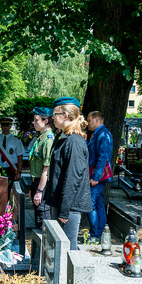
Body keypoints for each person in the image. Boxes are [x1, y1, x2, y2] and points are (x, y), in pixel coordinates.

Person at [46, 100, 92, 249]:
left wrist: (64, 211)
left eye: (55, 114)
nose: (52, 118)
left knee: (66, 249)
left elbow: (73, 178)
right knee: (59, 248)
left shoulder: (74, 142)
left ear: (65, 116)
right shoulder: (65, 138)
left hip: (69, 207)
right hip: (61, 203)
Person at [86, 110, 114, 244]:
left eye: (89, 120)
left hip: (99, 176)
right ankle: (101, 231)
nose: (87, 123)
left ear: (97, 120)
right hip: (97, 175)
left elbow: (102, 157)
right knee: (98, 203)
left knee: (90, 203)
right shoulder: (98, 134)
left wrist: (96, 177)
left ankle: (95, 234)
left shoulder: (103, 134)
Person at [28, 106, 55, 229]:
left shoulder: (48, 139)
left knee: (42, 219)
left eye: (36, 120)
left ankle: (44, 247)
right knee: (38, 217)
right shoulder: (40, 137)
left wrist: (39, 191)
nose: (33, 123)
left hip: (42, 184)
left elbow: (46, 168)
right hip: (37, 183)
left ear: (46, 121)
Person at [0, 116, 25, 186]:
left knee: (9, 190)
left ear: (10, 126)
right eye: (3, 125)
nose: (5, 127)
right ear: (1, 126)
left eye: (7, 125)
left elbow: (20, 157)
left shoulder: (16, 140)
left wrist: (19, 172)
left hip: (11, 169)